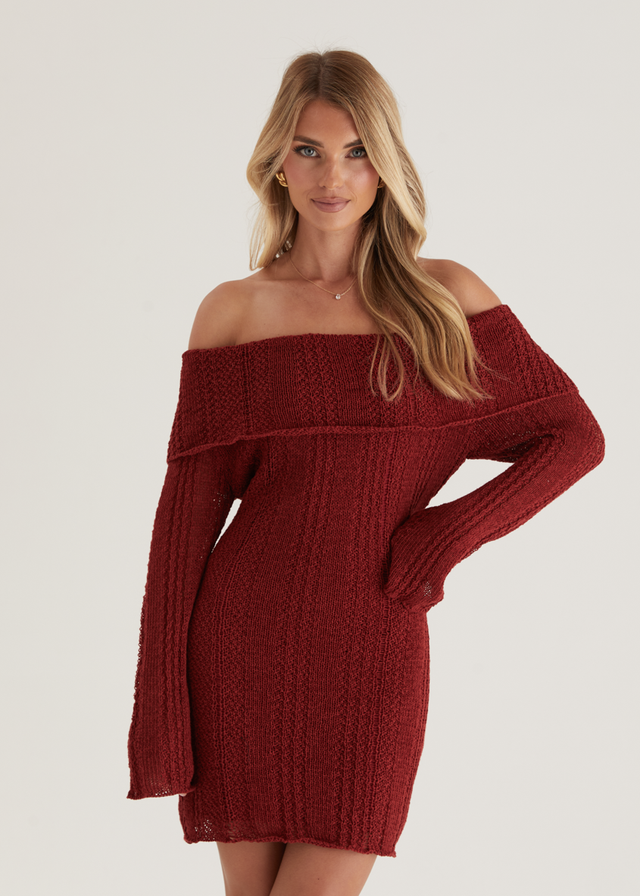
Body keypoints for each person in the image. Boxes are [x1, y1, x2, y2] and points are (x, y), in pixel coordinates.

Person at [126, 49, 605, 896]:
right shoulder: (234, 312)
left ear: (385, 166)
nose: (332, 177)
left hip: (373, 646)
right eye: (309, 150)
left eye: (356, 152)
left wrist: (441, 537)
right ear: (278, 161)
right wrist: (161, 712)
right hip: (240, 646)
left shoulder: (442, 300)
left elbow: (573, 436)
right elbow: (181, 531)